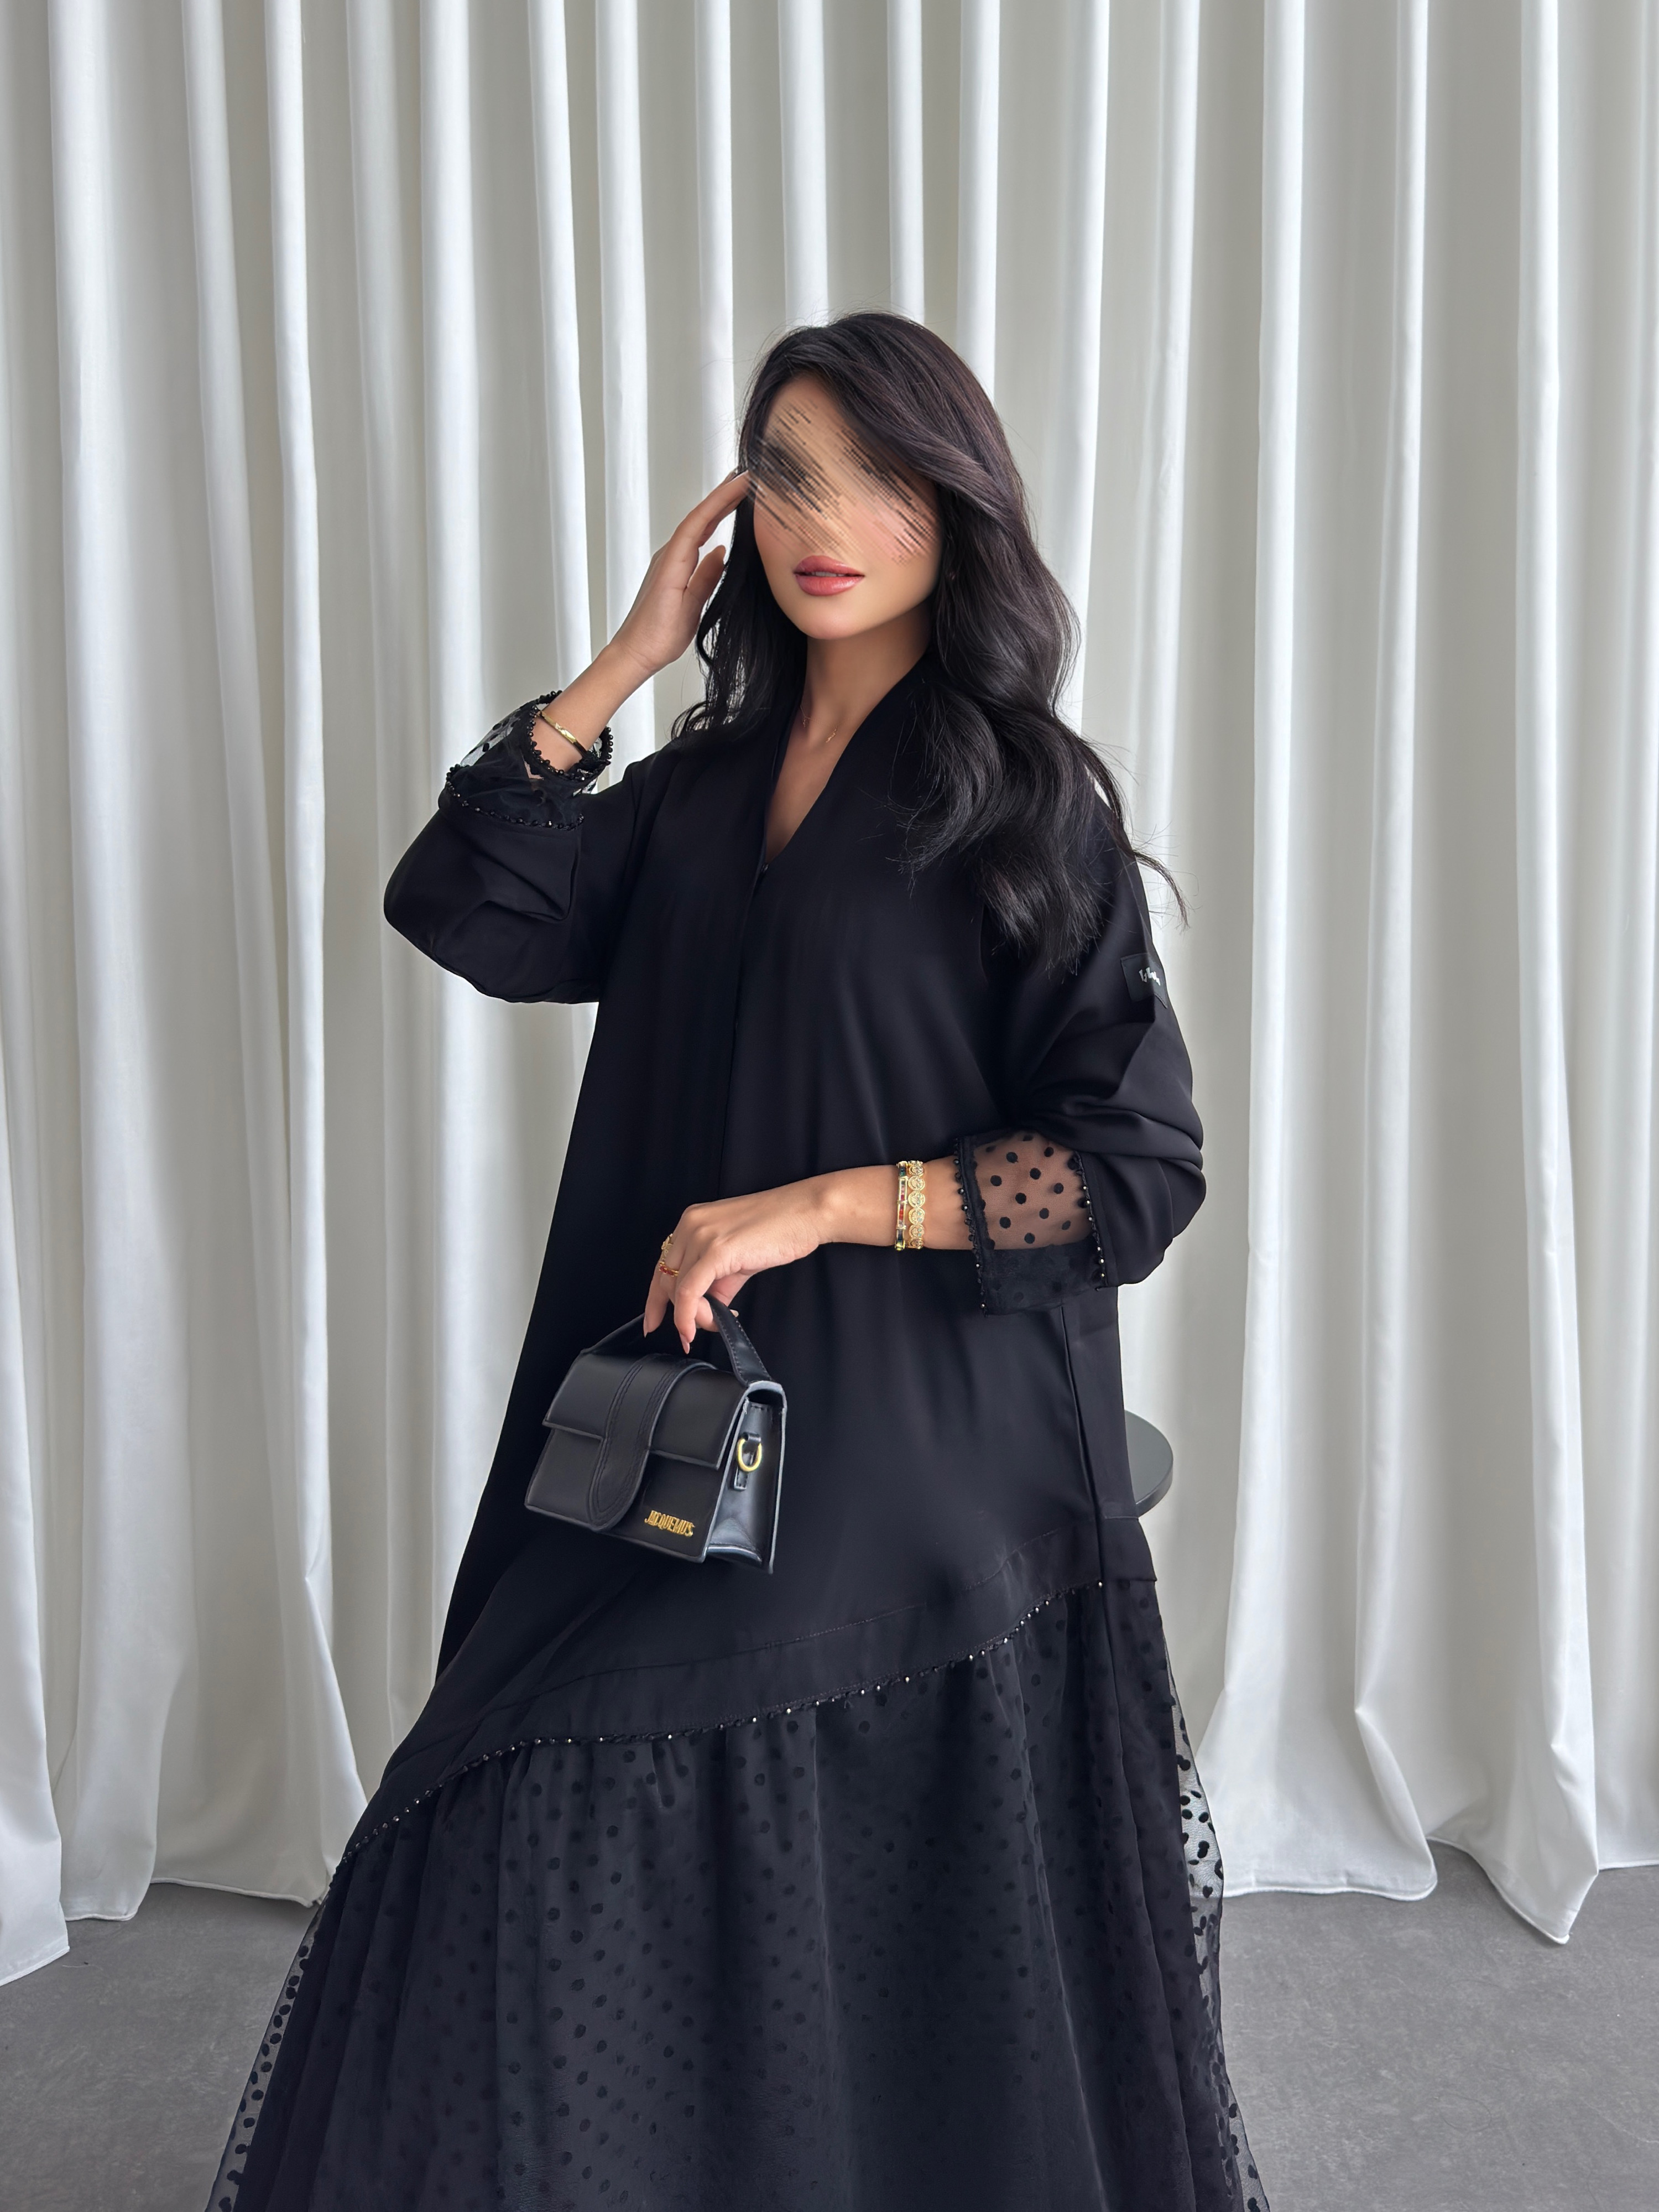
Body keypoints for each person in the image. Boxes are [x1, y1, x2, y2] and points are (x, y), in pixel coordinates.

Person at [208, 310, 1267, 2212]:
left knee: (606, 1795)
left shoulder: (1022, 800)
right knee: (482, 1789)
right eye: (785, 476)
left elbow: (1132, 1170)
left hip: (916, 1433)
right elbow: (465, 905)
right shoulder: (704, 788)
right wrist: (628, 659)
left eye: (875, 479)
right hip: (679, 1419)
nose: (821, 522)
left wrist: (821, 1204)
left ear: (957, 509)